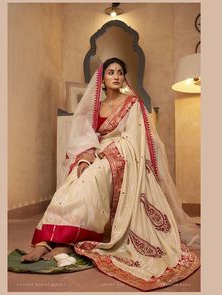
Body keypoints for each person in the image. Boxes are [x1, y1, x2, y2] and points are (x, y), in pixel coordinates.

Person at [20, 58, 200, 291]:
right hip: (97, 154)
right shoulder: (97, 106)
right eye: (111, 72)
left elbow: (137, 138)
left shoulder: (132, 103)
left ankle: (64, 243)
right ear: (102, 80)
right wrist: (86, 156)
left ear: (124, 77)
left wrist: (110, 152)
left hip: (122, 156)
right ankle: (46, 242)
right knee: (73, 182)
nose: (116, 76)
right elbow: (87, 136)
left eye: (120, 72)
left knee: (92, 182)